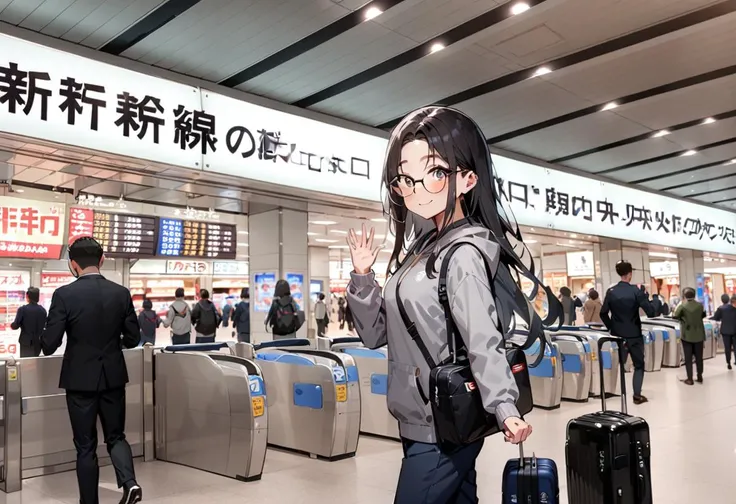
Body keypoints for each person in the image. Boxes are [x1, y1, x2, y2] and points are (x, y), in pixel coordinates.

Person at [345, 107, 562, 503]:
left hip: (444, 418)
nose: (415, 189)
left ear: (466, 179)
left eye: (433, 172)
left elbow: (482, 336)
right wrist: (363, 278)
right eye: (404, 178)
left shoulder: (463, 253)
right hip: (420, 417)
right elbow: (376, 334)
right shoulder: (421, 250)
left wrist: (504, 406)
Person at [40, 237, 142, 504]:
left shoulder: (64, 295)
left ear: (73, 265)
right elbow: (133, 339)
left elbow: (49, 345)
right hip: (113, 377)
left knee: (85, 446)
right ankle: (129, 483)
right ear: (102, 260)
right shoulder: (121, 293)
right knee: (116, 435)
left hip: (79, 380)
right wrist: (112, 344)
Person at [600, 260, 656, 404]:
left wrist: (612, 328)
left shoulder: (611, 292)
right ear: (630, 274)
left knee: (618, 364)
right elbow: (651, 312)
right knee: (639, 365)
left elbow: (603, 313)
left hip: (617, 335)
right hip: (634, 335)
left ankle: (613, 392)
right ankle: (637, 395)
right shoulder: (635, 291)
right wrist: (645, 297)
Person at [674, 287, 707, 385]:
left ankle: (690, 379)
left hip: (687, 335)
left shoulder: (682, 306)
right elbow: (703, 315)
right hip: (699, 334)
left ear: (684, 296)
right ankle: (700, 376)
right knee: (699, 357)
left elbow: (675, 315)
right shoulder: (700, 306)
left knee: (688, 358)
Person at [11, 286, 47, 357]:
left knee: (26, 364)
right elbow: (45, 325)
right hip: (38, 343)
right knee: (36, 363)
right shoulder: (43, 310)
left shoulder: (23, 309)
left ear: (27, 296)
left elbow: (15, 326)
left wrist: (11, 325)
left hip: (26, 342)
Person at [713, 294, 736, 369]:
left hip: (725, 332)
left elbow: (715, 317)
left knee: (727, 348)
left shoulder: (721, 309)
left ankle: (728, 363)